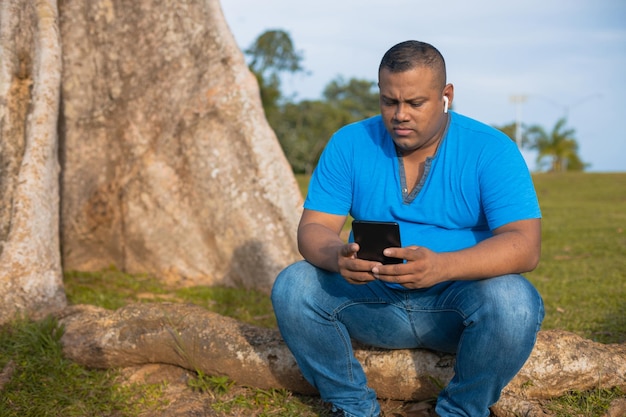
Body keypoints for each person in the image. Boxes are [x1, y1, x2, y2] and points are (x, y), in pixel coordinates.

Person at [271, 40, 545, 417]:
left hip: (458, 305)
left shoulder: (491, 150)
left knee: (513, 302)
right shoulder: (349, 143)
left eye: (415, 103)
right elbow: (314, 228)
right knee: (294, 285)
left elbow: (524, 246)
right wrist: (338, 258)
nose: (400, 114)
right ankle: (352, 406)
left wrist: (441, 267)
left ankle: (461, 410)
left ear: (446, 95)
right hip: (373, 300)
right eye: (389, 101)